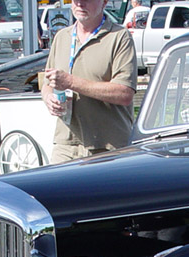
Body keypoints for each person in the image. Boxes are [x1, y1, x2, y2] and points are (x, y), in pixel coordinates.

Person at [42, 0, 137, 163]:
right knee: (56, 188)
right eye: (75, 0)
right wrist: (48, 98)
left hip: (109, 147)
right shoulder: (61, 37)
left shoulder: (120, 37)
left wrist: (71, 82)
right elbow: (47, 84)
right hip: (66, 145)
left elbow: (124, 93)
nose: (80, 4)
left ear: (104, 2)